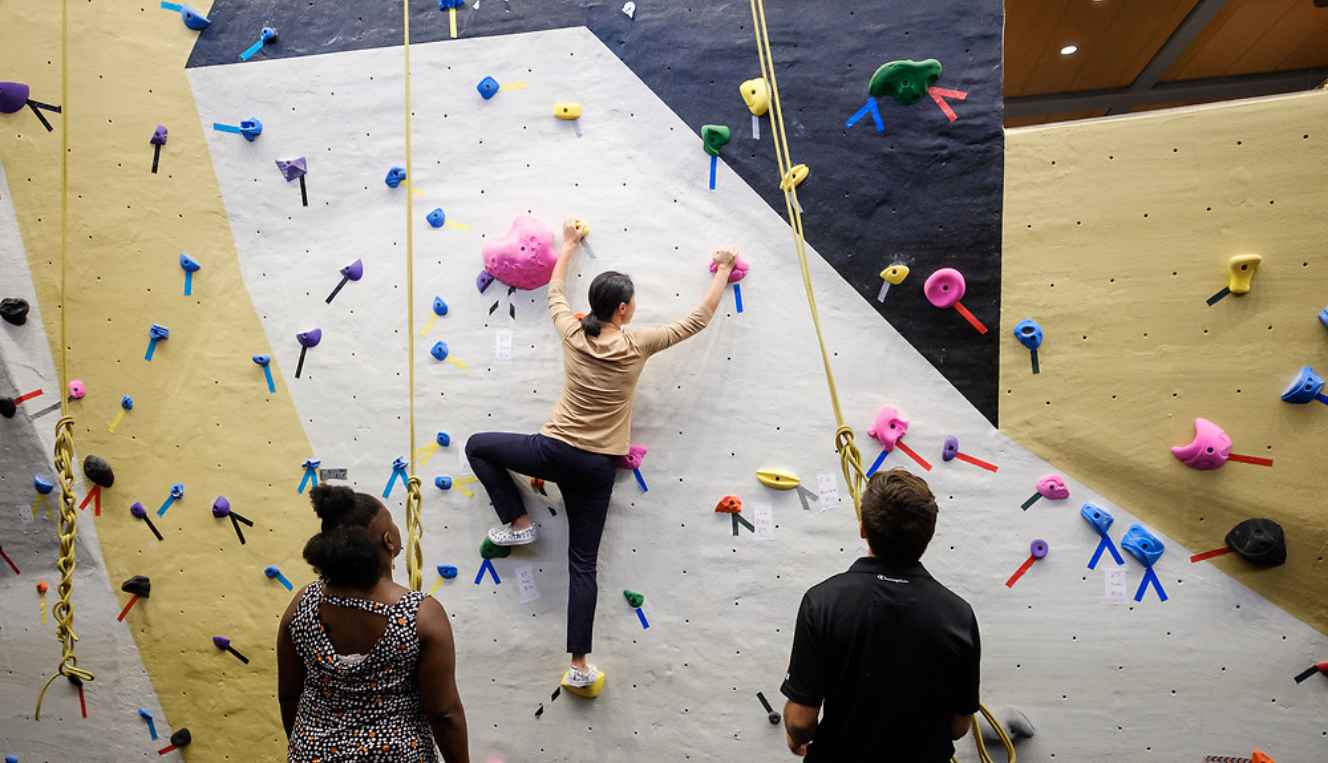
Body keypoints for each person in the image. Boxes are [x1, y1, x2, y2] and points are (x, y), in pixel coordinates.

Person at [466, 216, 738, 691]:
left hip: (551, 452)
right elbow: (698, 320)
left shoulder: (572, 333)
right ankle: (578, 664)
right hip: (595, 467)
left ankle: (518, 524)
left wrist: (568, 244)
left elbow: (554, 291)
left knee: (477, 446)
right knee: (582, 565)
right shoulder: (637, 344)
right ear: (625, 309)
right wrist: (722, 268)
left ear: (595, 305)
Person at [780, 468, 980, 761]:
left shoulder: (822, 602)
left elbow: (800, 721)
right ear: (931, 533)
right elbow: (958, 726)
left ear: (863, 529)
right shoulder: (959, 613)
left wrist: (795, 735)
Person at [277, 485, 469, 763]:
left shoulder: (302, 603)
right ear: (388, 540)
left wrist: (309, 745)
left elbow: (288, 694)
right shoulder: (420, 613)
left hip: (313, 754)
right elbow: (444, 713)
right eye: (391, 521)